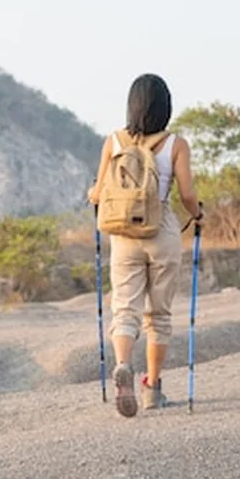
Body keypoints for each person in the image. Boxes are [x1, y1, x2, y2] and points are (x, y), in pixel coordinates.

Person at [88, 72, 203, 416]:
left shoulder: (114, 141)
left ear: (131, 104)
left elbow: (99, 192)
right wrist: (198, 214)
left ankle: (124, 363)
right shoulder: (176, 144)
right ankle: (152, 388)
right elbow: (186, 194)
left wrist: (90, 194)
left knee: (125, 308)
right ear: (165, 107)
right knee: (159, 314)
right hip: (162, 230)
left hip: (123, 233)